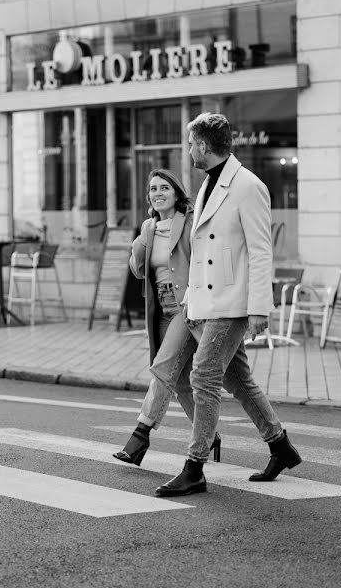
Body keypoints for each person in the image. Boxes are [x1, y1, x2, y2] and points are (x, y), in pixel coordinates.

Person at [152, 112, 301, 498]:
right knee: (238, 379)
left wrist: (259, 309)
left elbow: (260, 251)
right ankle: (279, 445)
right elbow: (204, 251)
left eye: (190, 145)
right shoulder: (207, 186)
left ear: (202, 146)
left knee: (203, 375)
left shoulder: (248, 186)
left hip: (232, 302)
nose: (188, 151)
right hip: (204, 300)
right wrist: (190, 299)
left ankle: (195, 466)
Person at [112, 169, 221, 466]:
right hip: (160, 309)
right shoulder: (149, 227)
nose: (157, 193)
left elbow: (203, 261)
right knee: (182, 381)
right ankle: (210, 436)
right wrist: (139, 246)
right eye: (152, 189)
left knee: (162, 369)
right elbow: (139, 270)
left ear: (176, 193)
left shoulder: (189, 224)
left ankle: (140, 436)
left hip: (186, 308)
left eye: (164, 188)